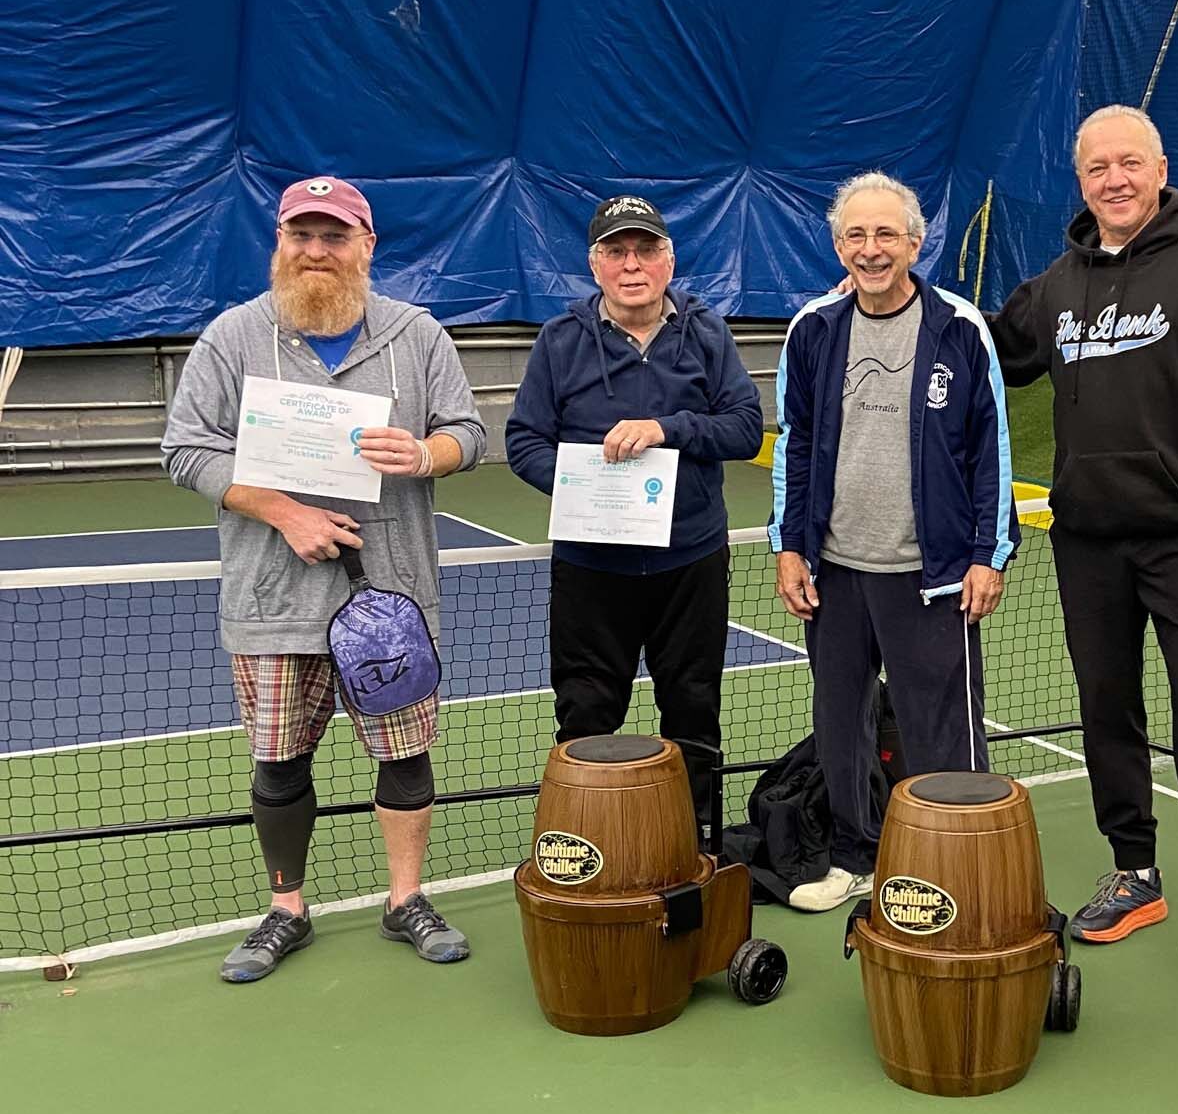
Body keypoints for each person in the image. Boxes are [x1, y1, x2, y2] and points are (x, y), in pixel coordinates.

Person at [161, 175, 488, 982]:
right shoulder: (232, 339)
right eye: (301, 235)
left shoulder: (417, 335)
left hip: (391, 600)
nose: (317, 251)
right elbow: (184, 448)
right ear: (280, 243)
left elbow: (471, 433)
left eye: (334, 236)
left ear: (366, 246)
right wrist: (282, 510)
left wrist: (424, 453)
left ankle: (405, 899)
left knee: (405, 757)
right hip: (272, 600)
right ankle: (286, 909)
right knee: (278, 763)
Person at [991, 105, 1178, 995]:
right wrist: (903, 305)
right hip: (1087, 543)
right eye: (1095, 169)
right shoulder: (1058, 282)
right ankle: (1135, 874)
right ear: (1079, 182)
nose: (1113, 181)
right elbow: (994, 352)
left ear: (1159, 169)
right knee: (1106, 713)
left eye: (1128, 164)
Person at [769, 172, 1016, 913]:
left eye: (886, 235)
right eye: (855, 235)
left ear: (915, 242)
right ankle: (854, 856)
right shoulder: (812, 328)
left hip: (931, 577)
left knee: (942, 734)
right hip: (836, 574)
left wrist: (987, 553)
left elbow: (991, 448)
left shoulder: (960, 328)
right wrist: (790, 546)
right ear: (838, 244)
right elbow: (795, 443)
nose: (871, 250)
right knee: (839, 723)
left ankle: (957, 863)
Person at [506, 195, 764, 839]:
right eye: (616, 251)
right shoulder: (560, 342)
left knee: (694, 712)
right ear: (595, 264)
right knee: (588, 716)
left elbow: (743, 426)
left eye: (646, 249)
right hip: (593, 570)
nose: (632, 264)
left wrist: (666, 429)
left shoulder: (707, 333)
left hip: (691, 562)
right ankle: (583, 849)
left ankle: (696, 848)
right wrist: (581, 488)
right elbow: (523, 441)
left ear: (667, 259)